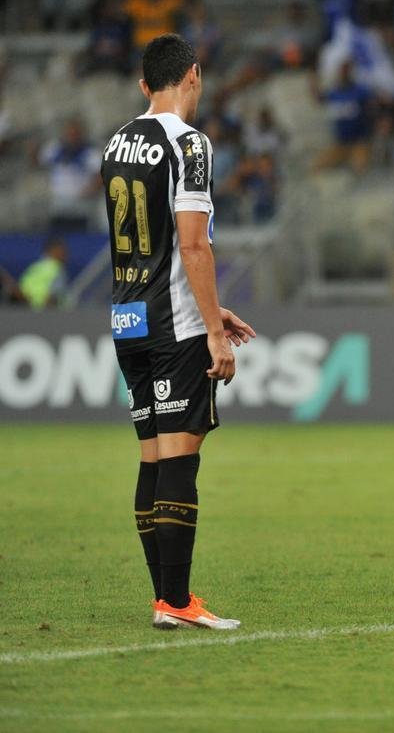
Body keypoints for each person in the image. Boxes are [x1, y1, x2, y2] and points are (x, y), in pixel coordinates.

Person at [101, 33, 257, 629]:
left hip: (128, 318)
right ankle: (177, 599)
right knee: (179, 462)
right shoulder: (190, 145)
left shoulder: (118, 142)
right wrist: (211, 332)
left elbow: (144, 243)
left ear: (145, 85)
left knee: (151, 459)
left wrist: (213, 312)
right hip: (175, 324)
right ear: (194, 75)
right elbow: (191, 243)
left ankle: (165, 600)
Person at [18, 236, 69, 309]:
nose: (66, 255)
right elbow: (54, 296)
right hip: (46, 312)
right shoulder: (56, 269)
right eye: (63, 252)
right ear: (53, 251)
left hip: (26, 308)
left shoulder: (35, 267)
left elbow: (21, 290)